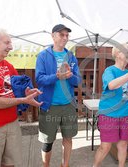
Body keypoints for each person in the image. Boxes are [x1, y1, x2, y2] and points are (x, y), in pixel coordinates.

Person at [0, 28, 43, 167]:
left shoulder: (8, 65)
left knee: (12, 163)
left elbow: (11, 92)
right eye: (7, 43)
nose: (11, 47)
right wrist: (23, 100)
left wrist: (26, 94)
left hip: (11, 123)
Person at [35, 24, 82, 167]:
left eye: (67, 35)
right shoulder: (43, 56)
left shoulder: (71, 57)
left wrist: (69, 76)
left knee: (68, 138)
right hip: (49, 105)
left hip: (68, 105)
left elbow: (78, 80)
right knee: (48, 141)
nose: (65, 38)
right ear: (53, 35)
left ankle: (65, 165)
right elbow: (39, 79)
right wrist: (57, 76)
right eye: (62, 34)